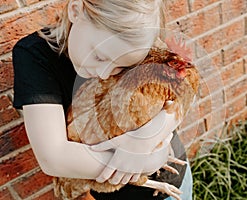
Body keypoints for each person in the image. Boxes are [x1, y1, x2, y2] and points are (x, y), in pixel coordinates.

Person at [12, 0, 193, 199]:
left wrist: (146, 138)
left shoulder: (142, 43)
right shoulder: (35, 56)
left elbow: (187, 87)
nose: (105, 73)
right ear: (75, 10)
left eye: (122, 67)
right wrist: (150, 161)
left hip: (173, 184)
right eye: (99, 56)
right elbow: (54, 158)